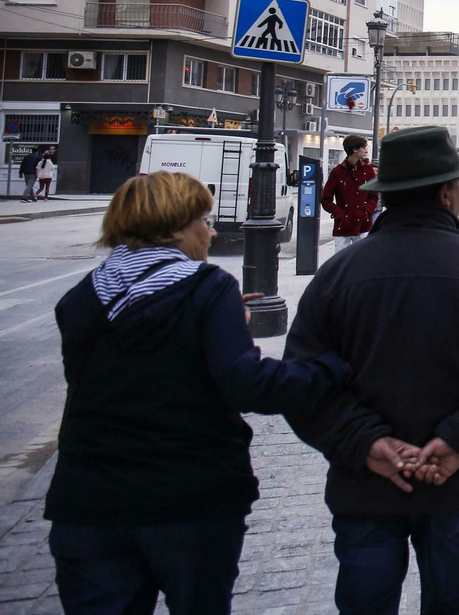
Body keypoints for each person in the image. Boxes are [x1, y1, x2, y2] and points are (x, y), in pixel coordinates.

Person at [46, 171, 350, 615]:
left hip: (88, 502)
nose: (209, 234)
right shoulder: (206, 288)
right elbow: (245, 384)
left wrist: (217, 329)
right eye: (203, 223)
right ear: (175, 227)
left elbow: (119, 374)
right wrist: (330, 367)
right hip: (187, 497)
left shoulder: (81, 298)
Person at [286, 126, 459, 615]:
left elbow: (302, 379)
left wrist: (367, 444)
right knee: (452, 596)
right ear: (448, 193)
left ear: (388, 196)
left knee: (365, 600)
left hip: (365, 482)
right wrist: (458, 441)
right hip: (454, 479)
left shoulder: (338, 276)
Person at [321, 135, 378, 251]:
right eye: (364, 147)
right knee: (341, 263)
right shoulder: (338, 172)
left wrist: (367, 212)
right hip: (343, 226)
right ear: (355, 150)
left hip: (363, 225)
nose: (366, 150)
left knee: (364, 260)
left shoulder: (368, 170)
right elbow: (326, 199)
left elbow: (374, 196)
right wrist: (340, 215)